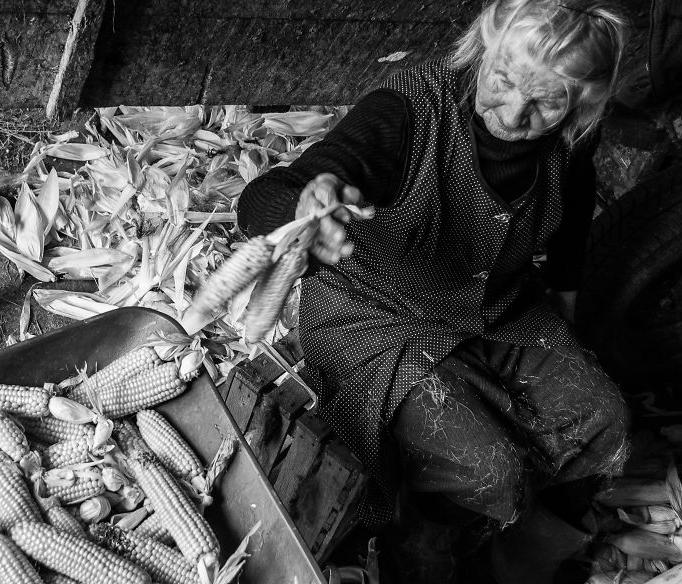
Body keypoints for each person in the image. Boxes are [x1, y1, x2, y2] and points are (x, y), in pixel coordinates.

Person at [237, 1, 631, 583]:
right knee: (487, 468)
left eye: (546, 101)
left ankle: (518, 560)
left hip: (496, 310)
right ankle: (416, 563)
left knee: (606, 419)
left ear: (581, 102)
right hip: (373, 317)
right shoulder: (406, 111)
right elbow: (274, 192)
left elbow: (572, 221)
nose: (514, 113)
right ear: (484, 48)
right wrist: (306, 203)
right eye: (503, 81)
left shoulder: (571, 140)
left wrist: (567, 310)